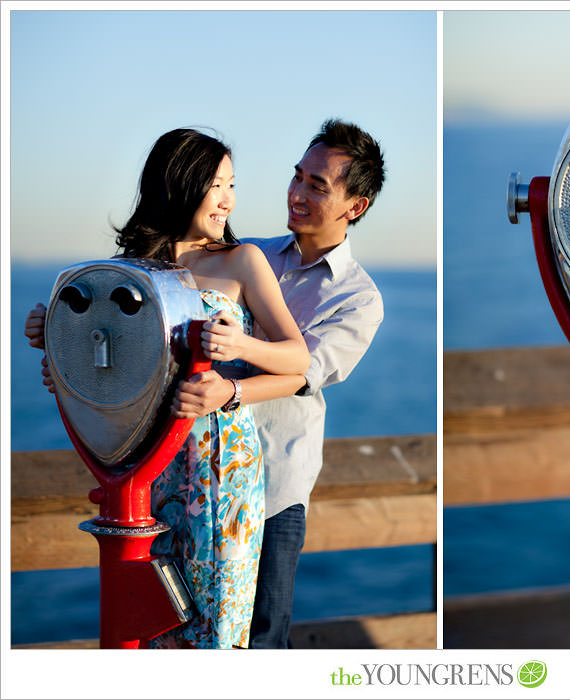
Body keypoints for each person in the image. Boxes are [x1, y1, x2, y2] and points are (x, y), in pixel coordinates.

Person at [25, 128, 311, 649]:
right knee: (156, 625)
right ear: (181, 182)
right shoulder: (131, 271)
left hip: (220, 470)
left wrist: (234, 367)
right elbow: (115, 366)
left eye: (232, 185)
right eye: (217, 184)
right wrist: (57, 345)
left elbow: (297, 361)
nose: (228, 199)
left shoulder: (241, 261)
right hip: (149, 467)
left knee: (215, 630)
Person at [169, 119, 386, 648]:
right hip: (196, 476)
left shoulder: (359, 299)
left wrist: (232, 390)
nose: (297, 192)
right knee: (181, 626)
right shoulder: (249, 254)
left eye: (318, 185)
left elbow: (300, 373)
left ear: (354, 207)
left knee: (260, 639)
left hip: (275, 487)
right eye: (297, 177)